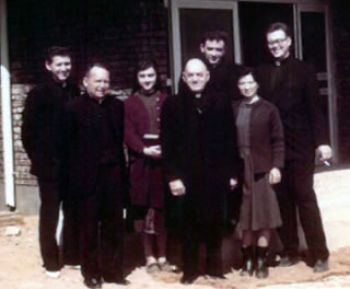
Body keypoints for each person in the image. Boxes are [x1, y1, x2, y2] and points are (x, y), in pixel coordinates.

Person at [257, 22, 332, 273]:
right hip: (273, 149)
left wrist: (322, 142)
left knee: (304, 197)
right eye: (271, 42)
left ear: (289, 41)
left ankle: (319, 253)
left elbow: (315, 109)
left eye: (279, 41)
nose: (275, 46)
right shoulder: (262, 71)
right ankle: (290, 250)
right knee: (281, 200)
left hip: (300, 146)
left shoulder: (305, 70)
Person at [161, 58, 241, 284]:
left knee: (215, 221)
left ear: (207, 76)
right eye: (191, 75)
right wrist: (173, 176)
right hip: (186, 177)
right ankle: (190, 270)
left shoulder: (221, 101)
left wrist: (233, 172)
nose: (195, 79)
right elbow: (167, 144)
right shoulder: (173, 104)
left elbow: (229, 139)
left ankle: (215, 268)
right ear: (184, 78)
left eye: (199, 74)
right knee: (188, 224)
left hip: (215, 174)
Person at [64, 64, 128, 288]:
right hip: (86, 178)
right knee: (89, 227)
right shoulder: (73, 109)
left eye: (106, 82)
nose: (102, 86)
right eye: (97, 81)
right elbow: (65, 148)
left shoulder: (117, 106)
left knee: (113, 225)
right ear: (85, 82)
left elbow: (121, 142)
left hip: (112, 175)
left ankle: (113, 271)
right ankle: (91, 273)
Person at [21, 46, 80, 278]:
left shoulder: (75, 90)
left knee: (73, 210)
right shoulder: (38, 94)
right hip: (49, 166)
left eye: (67, 64)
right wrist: (39, 158)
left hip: (72, 164)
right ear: (49, 66)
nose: (64, 68)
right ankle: (51, 261)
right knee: (50, 213)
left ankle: (73, 254)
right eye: (59, 64)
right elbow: (27, 133)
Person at [232, 68, 284, 278]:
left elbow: (278, 140)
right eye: (242, 83)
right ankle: (248, 261)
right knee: (245, 219)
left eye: (250, 83)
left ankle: (262, 260)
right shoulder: (234, 108)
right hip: (240, 170)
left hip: (262, 169)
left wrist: (276, 166)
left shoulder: (269, 109)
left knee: (263, 216)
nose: (246, 87)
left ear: (257, 85)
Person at [124, 60, 175, 273]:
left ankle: (163, 255)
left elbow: (174, 129)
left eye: (151, 76)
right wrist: (144, 150)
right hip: (142, 164)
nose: (147, 80)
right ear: (137, 79)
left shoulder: (166, 100)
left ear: (157, 77)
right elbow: (127, 132)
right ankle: (149, 256)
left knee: (162, 209)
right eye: (143, 76)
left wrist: (166, 148)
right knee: (144, 211)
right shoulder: (129, 103)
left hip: (162, 164)